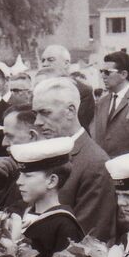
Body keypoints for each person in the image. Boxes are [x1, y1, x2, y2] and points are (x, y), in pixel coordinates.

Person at [33, 75, 116, 243]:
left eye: (45, 113)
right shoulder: (48, 151)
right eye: (35, 114)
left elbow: (88, 238)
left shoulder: (95, 163)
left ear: (70, 111)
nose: (37, 122)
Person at [91, 52, 129, 158]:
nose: (103, 76)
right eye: (101, 71)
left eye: (107, 72)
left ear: (123, 74)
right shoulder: (101, 103)